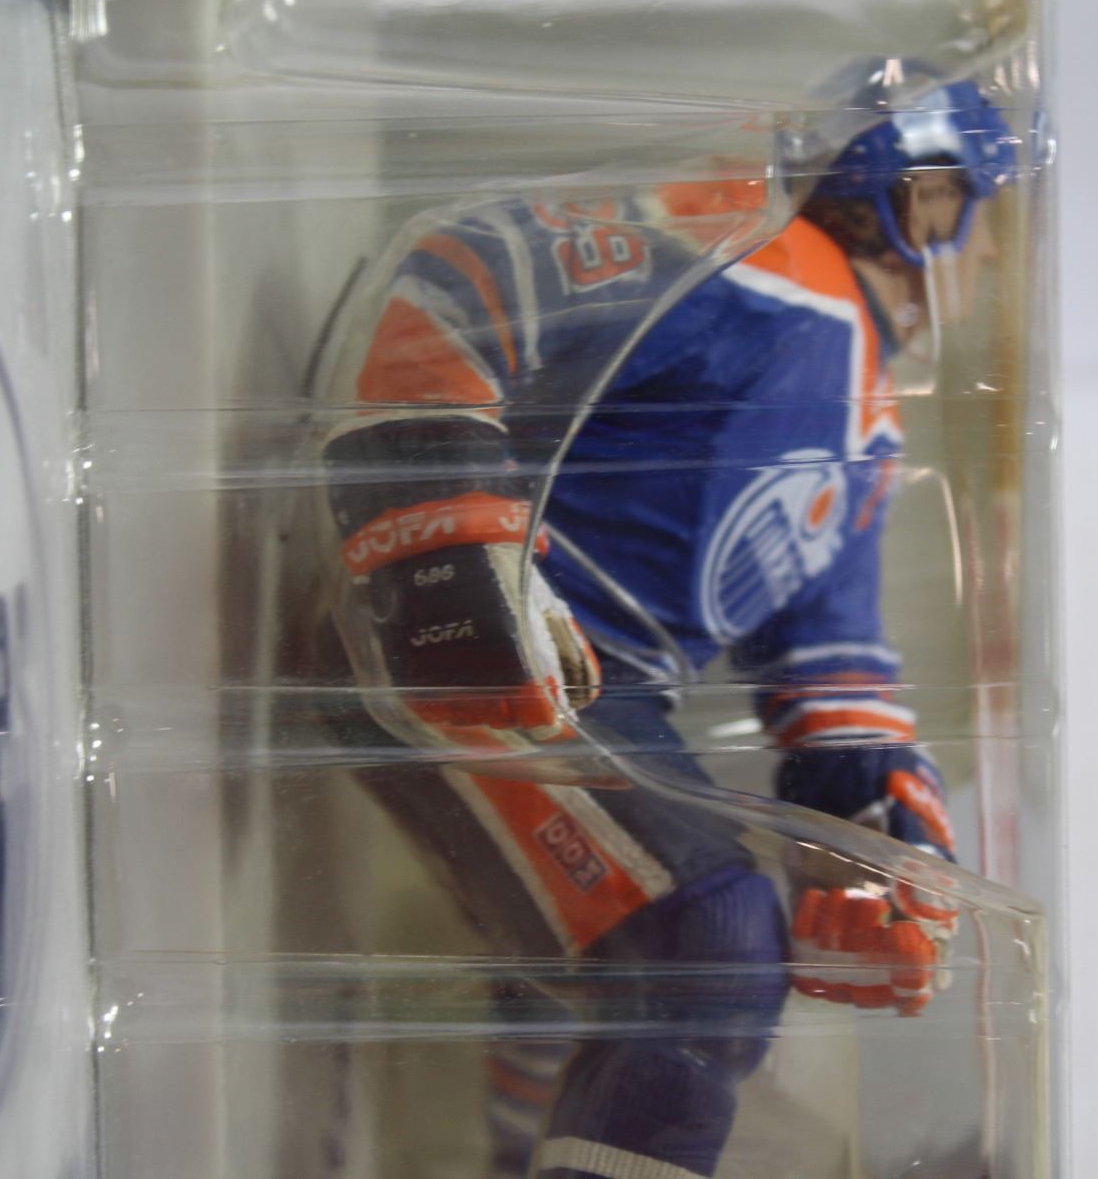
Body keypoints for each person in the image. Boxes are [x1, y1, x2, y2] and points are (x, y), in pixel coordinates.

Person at [319, 63, 1016, 1179]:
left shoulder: (869, 410)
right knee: (705, 950)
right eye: (980, 211)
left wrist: (888, 835)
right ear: (921, 198)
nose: (989, 255)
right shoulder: (759, 268)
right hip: (506, 661)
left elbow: (831, 663)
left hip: (591, 690)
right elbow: (468, 273)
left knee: (604, 966)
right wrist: (442, 535)